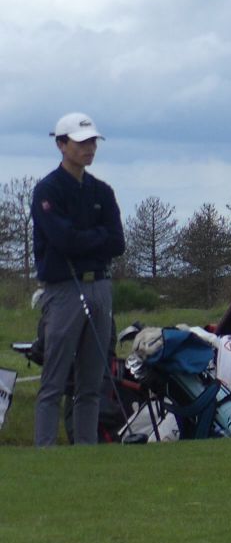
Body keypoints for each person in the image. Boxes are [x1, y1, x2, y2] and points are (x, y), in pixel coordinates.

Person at [30, 112, 125, 447]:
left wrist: (84, 239)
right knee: (54, 381)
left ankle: (86, 454)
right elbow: (63, 240)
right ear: (61, 144)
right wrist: (95, 238)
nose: (89, 148)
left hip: (99, 286)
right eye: (82, 142)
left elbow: (117, 243)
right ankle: (44, 452)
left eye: (93, 142)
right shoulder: (48, 190)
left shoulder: (102, 191)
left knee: (91, 382)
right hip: (63, 290)